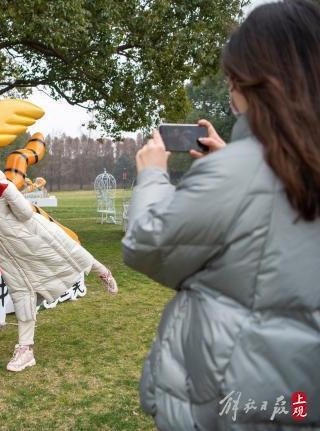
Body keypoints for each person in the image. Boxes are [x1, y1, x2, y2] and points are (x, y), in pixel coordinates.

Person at [122, 1, 320, 429]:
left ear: (254, 81)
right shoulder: (284, 162)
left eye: (233, 79)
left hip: (240, 389)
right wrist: (230, 159)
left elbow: (146, 243)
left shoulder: (241, 172)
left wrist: (153, 175)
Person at [0, 154, 119, 372]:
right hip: (8, 256)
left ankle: (103, 272)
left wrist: (7, 191)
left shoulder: (2, 185)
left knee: (71, 254)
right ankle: (25, 350)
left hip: (34, 238)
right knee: (21, 296)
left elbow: (25, 214)